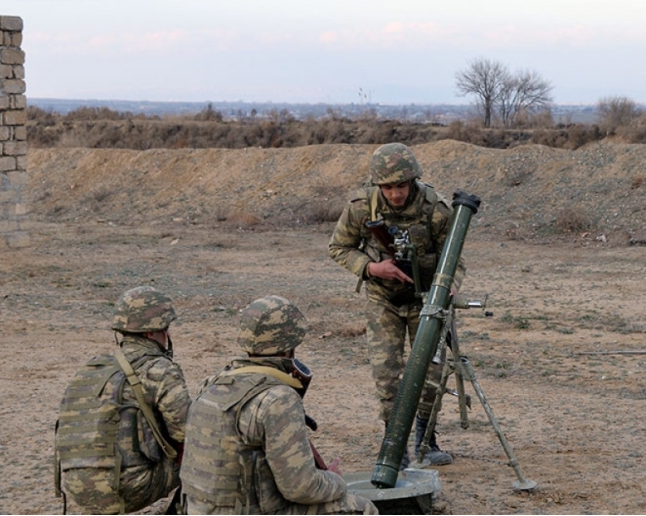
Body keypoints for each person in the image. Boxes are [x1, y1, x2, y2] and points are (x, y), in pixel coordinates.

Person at [328, 142, 465, 466]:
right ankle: (394, 446)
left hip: (426, 302)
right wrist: (372, 268)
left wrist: (450, 289)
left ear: (413, 181)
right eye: (387, 187)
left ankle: (425, 440)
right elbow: (339, 247)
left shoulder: (436, 209)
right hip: (383, 300)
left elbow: (455, 259)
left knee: (430, 375)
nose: (395, 194)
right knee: (387, 375)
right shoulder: (363, 208)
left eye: (401, 185)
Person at [179, 295, 377, 515]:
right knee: (362, 508)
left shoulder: (210, 385)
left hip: (197, 510)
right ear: (289, 346)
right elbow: (301, 488)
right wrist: (336, 481)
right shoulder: (277, 398)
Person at [55, 285, 191, 514]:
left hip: (77, 488)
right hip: (125, 489)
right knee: (209, 456)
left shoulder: (94, 368)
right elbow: (187, 434)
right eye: (165, 328)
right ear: (151, 332)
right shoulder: (159, 369)